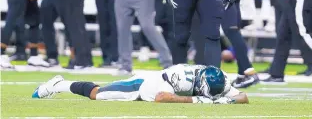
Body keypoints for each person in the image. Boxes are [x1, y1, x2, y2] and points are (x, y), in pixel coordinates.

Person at [32, 64, 248, 104]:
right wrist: (197, 100)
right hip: (146, 84)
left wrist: (225, 102)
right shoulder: (182, 77)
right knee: (97, 94)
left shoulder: (218, 77)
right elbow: (162, 97)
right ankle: (58, 84)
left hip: (161, 87)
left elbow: (243, 97)